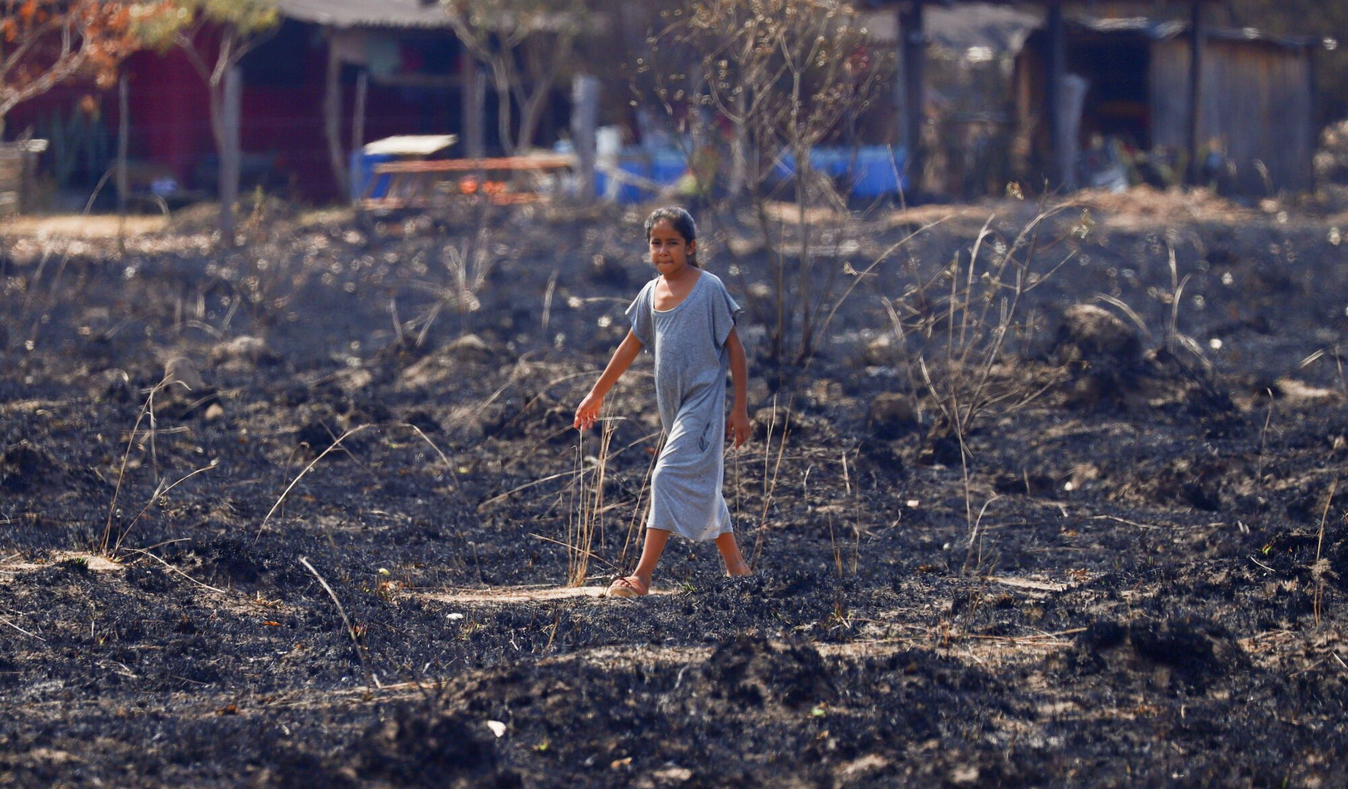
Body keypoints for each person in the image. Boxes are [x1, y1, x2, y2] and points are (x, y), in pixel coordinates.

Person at [573, 206, 753, 597]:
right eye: (656, 243)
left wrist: (739, 409)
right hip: (672, 408)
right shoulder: (650, 294)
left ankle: (641, 576)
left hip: (704, 403)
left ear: (690, 247)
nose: (663, 251)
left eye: (672, 243)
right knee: (703, 482)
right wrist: (597, 392)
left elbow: (735, 350)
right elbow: (630, 345)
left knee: (666, 475)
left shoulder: (709, 289)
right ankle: (737, 566)